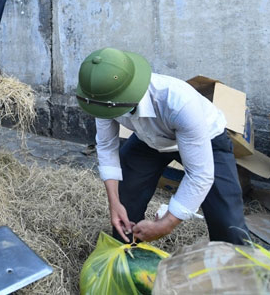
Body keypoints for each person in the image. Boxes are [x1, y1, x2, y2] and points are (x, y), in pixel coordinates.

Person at [76, 47, 249, 244]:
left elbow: (200, 175)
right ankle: (127, 256)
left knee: (227, 220)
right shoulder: (103, 98)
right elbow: (106, 146)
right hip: (149, 139)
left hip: (206, 139)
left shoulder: (178, 102)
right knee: (127, 194)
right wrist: (114, 203)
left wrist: (166, 224)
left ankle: (234, 266)